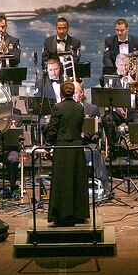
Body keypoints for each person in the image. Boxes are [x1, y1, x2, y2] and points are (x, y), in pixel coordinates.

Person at [45, 81, 89, 227]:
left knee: (62, 182)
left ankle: (61, 215)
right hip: (77, 147)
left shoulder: (57, 108)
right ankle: (78, 214)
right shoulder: (80, 108)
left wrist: (48, 145)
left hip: (62, 147)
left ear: (62, 93)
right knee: (77, 181)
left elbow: (53, 129)